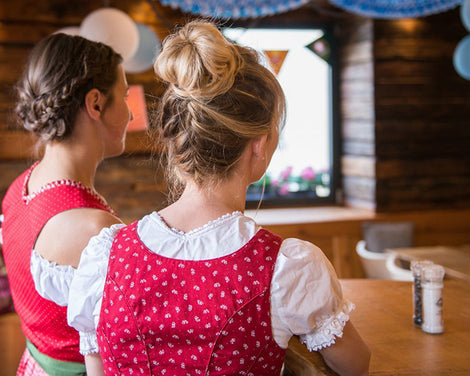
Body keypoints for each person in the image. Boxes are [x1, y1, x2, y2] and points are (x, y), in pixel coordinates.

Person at [61, 20, 370, 376]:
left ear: (178, 142)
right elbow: (355, 365)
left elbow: (96, 368)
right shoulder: (286, 270)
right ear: (260, 144)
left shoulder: (106, 257)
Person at [0, 32, 131, 375]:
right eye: (126, 96)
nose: (131, 114)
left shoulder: (19, 188)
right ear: (96, 104)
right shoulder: (93, 228)